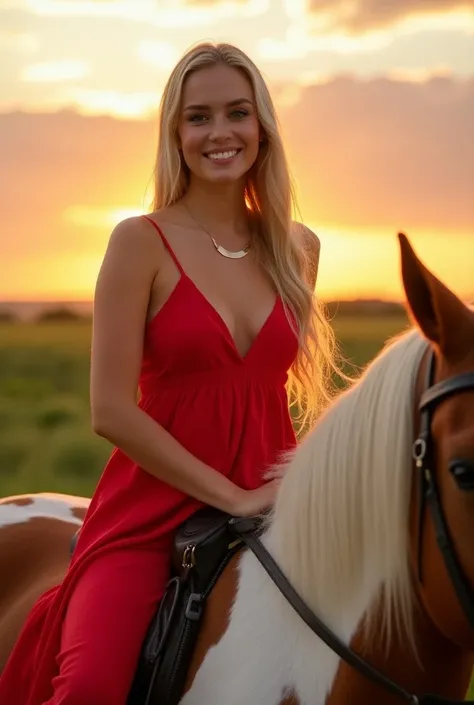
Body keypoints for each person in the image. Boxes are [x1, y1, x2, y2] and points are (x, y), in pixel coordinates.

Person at [0, 41, 339, 705]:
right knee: (91, 687)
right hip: (150, 518)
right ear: (175, 133)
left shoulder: (299, 247)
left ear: (262, 126)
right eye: (198, 117)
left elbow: (272, 392)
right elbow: (111, 409)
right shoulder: (138, 241)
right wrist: (231, 496)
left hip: (276, 511)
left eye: (237, 112)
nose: (220, 132)